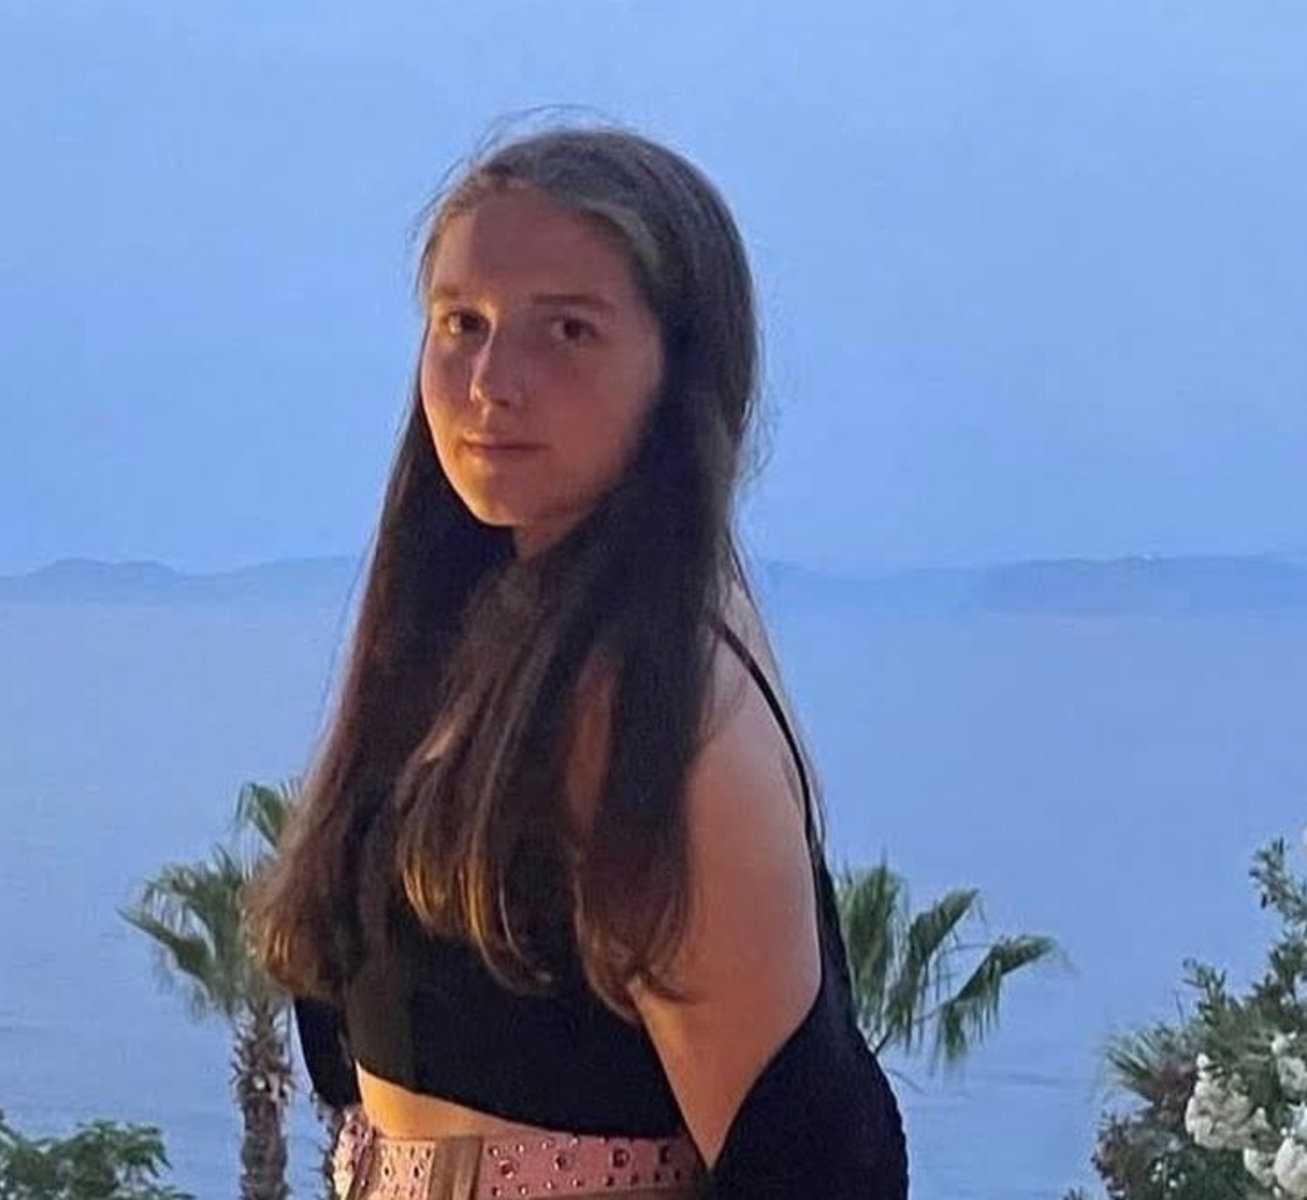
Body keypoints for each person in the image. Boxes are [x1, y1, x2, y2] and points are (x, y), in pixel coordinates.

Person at [247, 123, 909, 1199]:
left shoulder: (659, 699)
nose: (492, 382)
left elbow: (815, 1167)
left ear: (677, 369)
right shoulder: (474, 644)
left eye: (568, 330)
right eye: (462, 323)